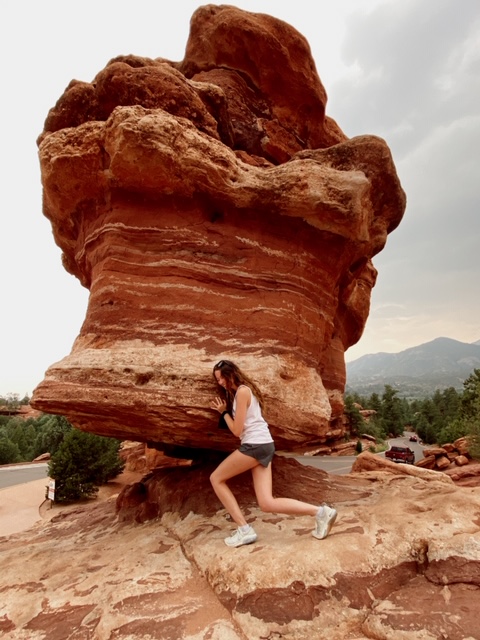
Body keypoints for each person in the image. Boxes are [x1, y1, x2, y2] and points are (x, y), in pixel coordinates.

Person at [209, 359, 337, 547]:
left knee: (216, 479)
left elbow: (237, 431)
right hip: (264, 444)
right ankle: (321, 512)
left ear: (230, 375)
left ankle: (244, 530)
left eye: (221, 378)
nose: (219, 383)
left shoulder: (242, 392)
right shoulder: (242, 392)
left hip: (254, 445)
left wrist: (224, 413)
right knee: (267, 503)